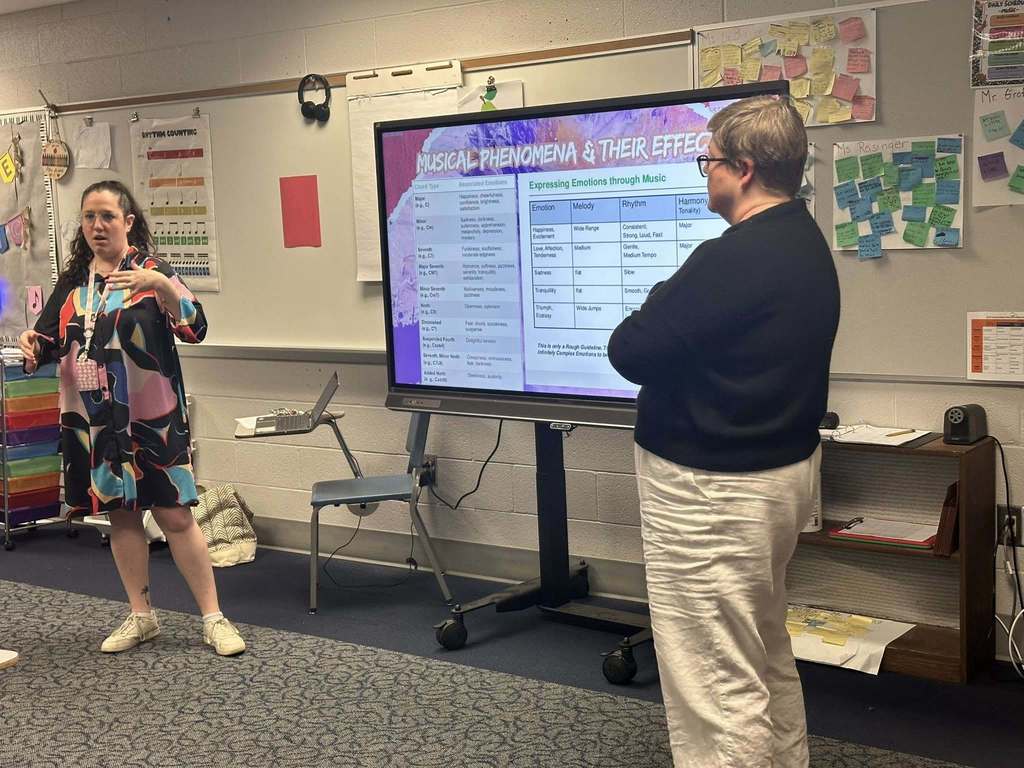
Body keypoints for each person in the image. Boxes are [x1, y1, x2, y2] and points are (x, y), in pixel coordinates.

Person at [607, 96, 840, 768]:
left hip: (712, 496)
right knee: (760, 648)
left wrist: (656, 297)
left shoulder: (730, 260)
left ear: (742, 169)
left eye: (707, 161)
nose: (703, 172)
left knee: (715, 679)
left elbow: (631, 349)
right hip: (772, 482)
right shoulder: (803, 240)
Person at [18, 180, 245, 657]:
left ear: (128, 221)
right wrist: (31, 343)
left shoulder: (151, 271)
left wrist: (161, 286)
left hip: (151, 417)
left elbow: (196, 327)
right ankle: (141, 617)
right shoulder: (75, 279)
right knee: (120, 515)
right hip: (94, 420)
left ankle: (213, 617)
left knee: (174, 513)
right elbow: (48, 341)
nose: (97, 226)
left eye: (106, 216)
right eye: (88, 217)